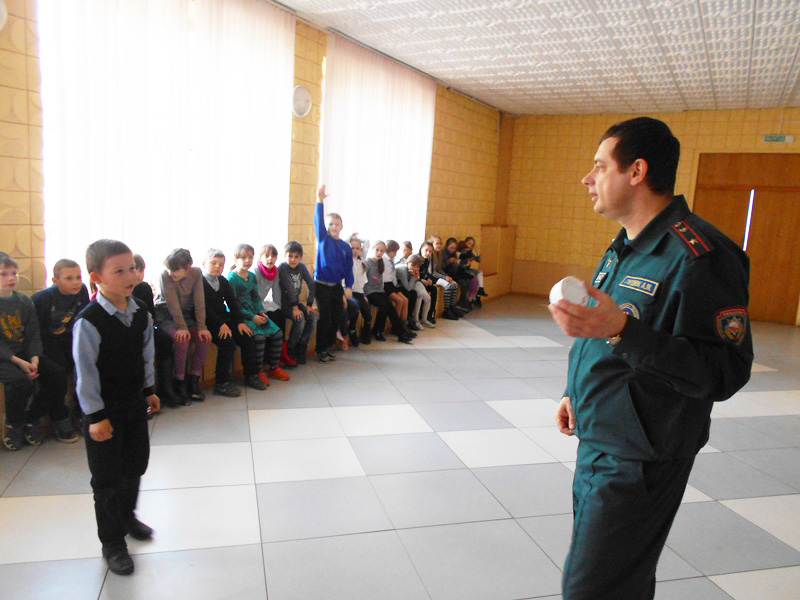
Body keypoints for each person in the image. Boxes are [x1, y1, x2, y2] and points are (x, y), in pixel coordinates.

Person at [549, 117, 753, 600]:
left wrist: (624, 330)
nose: (587, 178)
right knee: (619, 583)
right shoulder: (626, 246)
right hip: (600, 437)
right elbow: (603, 330)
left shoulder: (699, 256)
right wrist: (574, 390)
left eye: (600, 166)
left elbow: (724, 371)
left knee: (592, 589)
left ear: (637, 171)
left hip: (640, 457)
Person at [72, 239, 160, 575]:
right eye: (119, 271)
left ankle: (127, 516)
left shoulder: (140, 311)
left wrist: (149, 390)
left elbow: (147, 354)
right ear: (97, 277)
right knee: (106, 478)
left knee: (135, 464)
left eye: (133, 268)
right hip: (103, 412)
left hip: (133, 404)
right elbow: (85, 373)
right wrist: (95, 416)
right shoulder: (89, 321)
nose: (131, 275)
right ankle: (112, 541)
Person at [1, 253, 72, 449]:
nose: (10, 278)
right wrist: (19, 362)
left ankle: (32, 418)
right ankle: (14, 424)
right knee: (20, 382)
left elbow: (33, 334)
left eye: (14, 273)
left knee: (57, 375)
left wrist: (34, 359)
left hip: (24, 353)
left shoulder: (24, 301)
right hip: (5, 357)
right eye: (3, 274)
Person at [153, 248, 212, 403]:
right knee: (182, 339)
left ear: (187, 268)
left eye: (175, 270)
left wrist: (202, 327)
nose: (171, 273)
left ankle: (193, 381)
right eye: (169, 269)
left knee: (204, 338)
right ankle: (179, 382)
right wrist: (182, 327)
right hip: (165, 315)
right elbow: (172, 304)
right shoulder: (165, 275)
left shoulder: (196, 273)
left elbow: (199, 301)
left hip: (184, 315)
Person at [202, 248, 263, 395]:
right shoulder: (199, 282)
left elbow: (232, 302)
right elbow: (203, 308)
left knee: (247, 336)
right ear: (204, 264)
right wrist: (221, 325)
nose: (218, 266)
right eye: (214, 263)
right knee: (227, 343)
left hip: (223, 318)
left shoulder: (222, 280)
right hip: (207, 321)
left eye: (221, 264)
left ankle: (251, 375)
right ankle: (221, 383)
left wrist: (240, 322)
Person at [227, 244, 290, 384]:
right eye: (243, 257)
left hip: (255, 312)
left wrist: (260, 311)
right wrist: (252, 317)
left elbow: (255, 297)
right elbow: (232, 306)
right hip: (241, 316)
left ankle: (274, 367)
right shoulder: (231, 279)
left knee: (277, 333)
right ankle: (258, 371)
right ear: (236, 259)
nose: (247, 260)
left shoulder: (251, 276)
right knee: (259, 338)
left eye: (250, 257)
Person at [131, 254, 179, 408]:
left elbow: (151, 315)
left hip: (147, 327)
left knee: (165, 340)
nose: (138, 274)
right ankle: (142, 395)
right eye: (134, 269)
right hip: (130, 331)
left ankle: (165, 389)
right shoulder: (121, 290)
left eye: (141, 270)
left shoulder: (144, 287)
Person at [313, 185, 353, 362]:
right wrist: (319, 201)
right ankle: (320, 349)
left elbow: (348, 268)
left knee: (337, 317)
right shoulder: (323, 239)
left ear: (342, 226)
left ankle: (329, 346)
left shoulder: (345, 247)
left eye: (337, 224)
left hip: (336, 287)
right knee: (326, 318)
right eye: (330, 224)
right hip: (321, 286)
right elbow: (318, 221)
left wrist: (348, 286)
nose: (334, 227)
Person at [364, 241, 413, 344]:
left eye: (382, 251)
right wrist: (364, 295)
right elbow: (363, 280)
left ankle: (400, 333)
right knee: (383, 306)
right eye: (377, 250)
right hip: (369, 291)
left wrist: (382, 290)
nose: (379, 253)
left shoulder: (380, 262)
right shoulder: (367, 262)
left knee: (390, 307)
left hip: (379, 290)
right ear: (372, 249)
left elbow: (381, 279)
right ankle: (377, 330)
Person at [277, 242, 318, 365]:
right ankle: (291, 348)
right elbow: (289, 288)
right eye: (290, 256)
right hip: (284, 304)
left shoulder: (301, 267)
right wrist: (295, 307)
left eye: (296, 257)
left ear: (300, 257)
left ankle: (302, 347)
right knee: (300, 319)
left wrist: (309, 305)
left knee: (313, 317)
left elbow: (312, 285)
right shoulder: (282, 267)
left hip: (296, 303)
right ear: (284, 256)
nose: (293, 259)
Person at [255, 244, 295, 368]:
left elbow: (276, 291)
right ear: (260, 258)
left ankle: (279, 354)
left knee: (279, 315)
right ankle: (267, 357)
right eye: (266, 256)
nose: (270, 259)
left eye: (273, 256)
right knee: (268, 320)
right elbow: (254, 294)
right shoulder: (256, 271)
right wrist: (259, 310)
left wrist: (278, 306)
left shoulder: (275, 271)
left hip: (263, 303)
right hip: (254, 305)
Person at [427, 237, 460, 320]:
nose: (439, 245)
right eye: (436, 243)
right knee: (448, 285)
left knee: (455, 284)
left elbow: (439, 269)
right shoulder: (430, 255)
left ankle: (451, 307)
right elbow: (432, 272)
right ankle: (446, 310)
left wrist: (446, 275)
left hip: (437, 275)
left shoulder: (439, 254)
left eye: (440, 243)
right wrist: (444, 277)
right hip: (432, 277)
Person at [396, 255, 433, 329]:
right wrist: (413, 276)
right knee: (413, 294)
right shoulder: (402, 270)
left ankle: (418, 320)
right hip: (397, 287)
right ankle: (409, 322)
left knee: (421, 296)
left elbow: (416, 279)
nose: (415, 268)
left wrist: (415, 276)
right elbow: (408, 288)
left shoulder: (412, 270)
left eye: (417, 266)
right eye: (413, 265)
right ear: (407, 263)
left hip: (406, 285)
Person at [349, 235, 372, 346]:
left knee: (368, 315)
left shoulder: (361, 259)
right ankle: (352, 330)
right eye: (352, 248)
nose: (355, 251)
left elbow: (367, 241)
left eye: (357, 248)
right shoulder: (347, 260)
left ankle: (365, 334)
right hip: (349, 292)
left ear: (361, 250)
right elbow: (343, 243)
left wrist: (357, 236)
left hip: (360, 293)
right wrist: (350, 237)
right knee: (355, 311)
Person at [462, 236, 488, 301]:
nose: (470, 246)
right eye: (469, 243)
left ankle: (481, 289)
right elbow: (461, 263)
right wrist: (467, 262)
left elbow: (478, 260)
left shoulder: (470, 252)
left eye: (472, 244)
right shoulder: (463, 251)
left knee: (479, 272)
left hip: (468, 269)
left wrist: (477, 251)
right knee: (475, 278)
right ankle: (473, 297)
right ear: (465, 243)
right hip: (463, 270)